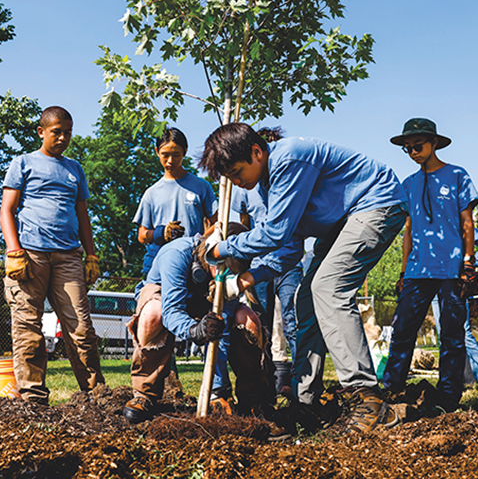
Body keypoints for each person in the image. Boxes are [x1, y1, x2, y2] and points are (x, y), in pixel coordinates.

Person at [200, 122, 408, 433]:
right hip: (343, 222)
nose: (237, 182)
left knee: (328, 286)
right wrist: (249, 278)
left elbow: (275, 233)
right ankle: (305, 402)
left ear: (257, 152)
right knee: (307, 296)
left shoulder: (291, 158)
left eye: (236, 173)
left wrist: (222, 248)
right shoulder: (269, 186)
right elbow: (287, 250)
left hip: (376, 203)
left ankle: (369, 399)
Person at [123, 223, 281, 434]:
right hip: (166, 299)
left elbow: (222, 329)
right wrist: (195, 330)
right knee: (154, 313)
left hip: (203, 305)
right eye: (225, 269)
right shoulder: (176, 254)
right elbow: (171, 311)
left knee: (249, 320)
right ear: (212, 253)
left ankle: (252, 399)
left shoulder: (227, 278)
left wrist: (218, 389)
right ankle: (145, 394)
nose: (228, 276)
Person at [0, 106, 104, 404]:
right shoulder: (23, 164)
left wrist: (91, 256)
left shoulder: (75, 169)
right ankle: (33, 396)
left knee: (81, 328)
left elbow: (83, 216)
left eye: (68, 132)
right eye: (56, 131)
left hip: (69, 256)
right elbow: (6, 210)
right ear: (41, 132)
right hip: (30, 255)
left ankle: (96, 395)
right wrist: (13, 250)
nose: (63, 138)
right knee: (28, 325)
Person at [383, 118, 478, 411]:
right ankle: (392, 389)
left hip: (452, 268)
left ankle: (449, 396)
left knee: (452, 333)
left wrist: (468, 261)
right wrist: (403, 271)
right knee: (402, 330)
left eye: (418, 145)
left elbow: (467, 222)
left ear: (434, 143)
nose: (413, 151)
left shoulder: (457, 176)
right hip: (417, 269)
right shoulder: (408, 184)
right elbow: (408, 229)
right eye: (408, 148)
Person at [231, 127, 302, 396]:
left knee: (293, 320)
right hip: (259, 264)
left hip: (289, 261)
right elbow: (243, 224)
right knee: (258, 323)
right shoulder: (244, 185)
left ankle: (300, 384)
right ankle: (264, 386)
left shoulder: (287, 178)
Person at [133, 127, 217, 276]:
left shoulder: (201, 187)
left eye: (176, 155)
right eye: (165, 155)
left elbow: (217, 223)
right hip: (158, 265)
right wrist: (161, 233)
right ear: (157, 151)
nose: (170, 161)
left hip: (194, 265)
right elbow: (142, 235)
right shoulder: (151, 193)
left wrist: (201, 241)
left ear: (185, 152)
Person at [430, 228, 478, 395]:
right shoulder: (428, 226)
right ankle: (451, 383)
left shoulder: (457, 225)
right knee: (443, 335)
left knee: (464, 333)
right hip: (433, 285)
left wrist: (472, 264)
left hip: (455, 285)